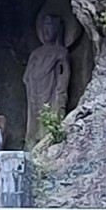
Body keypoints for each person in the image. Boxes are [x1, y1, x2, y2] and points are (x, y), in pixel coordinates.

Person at [23, 14, 70, 147]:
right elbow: (26, 76)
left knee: (50, 115)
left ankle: (48, 140)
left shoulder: (60, 52)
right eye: (44, 29)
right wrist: (31, 81)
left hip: (51, 91)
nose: (46, 33)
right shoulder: (36, 53)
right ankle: (31, 142)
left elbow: (64, 73)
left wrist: (61, 89)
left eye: (49, 29)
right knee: (34, 119)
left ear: (57, 30)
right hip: (34, 90)